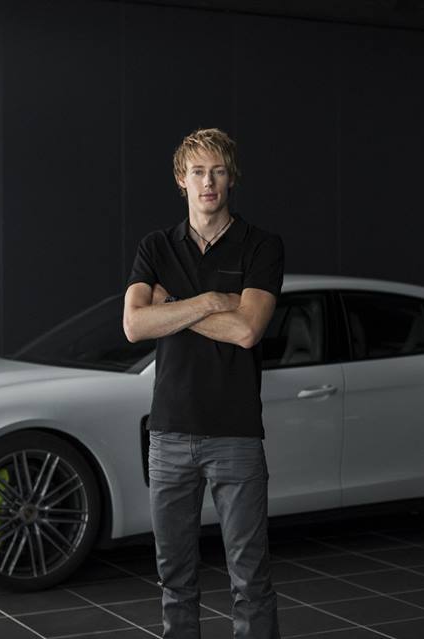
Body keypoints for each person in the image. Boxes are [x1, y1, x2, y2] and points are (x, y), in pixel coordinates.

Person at [122, 127, 284, 639]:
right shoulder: (156, 247)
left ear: (231, 178)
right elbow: (134, 325)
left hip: (236, 433)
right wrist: (214, 301)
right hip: (169, 434)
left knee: (250, 579)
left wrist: (171, 308)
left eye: (217, 172)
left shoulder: (261, 246)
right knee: (174, 579)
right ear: (181, 179)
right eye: (197, 172)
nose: (207, 182)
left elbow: (247, 330)